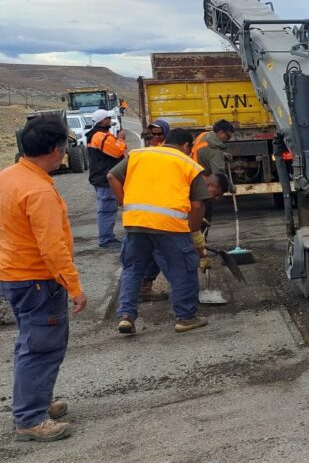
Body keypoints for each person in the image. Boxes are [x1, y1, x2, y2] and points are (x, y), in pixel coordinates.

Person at [0, 114, 87, 442]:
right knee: (41, 348)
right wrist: (74, 287)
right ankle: (30, 418)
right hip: (37, 279)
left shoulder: (8, 176)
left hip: (14, 275)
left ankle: (36, 401)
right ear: (56, 149)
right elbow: (53, 247)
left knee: (30, 342)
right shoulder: (38, 191)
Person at [107, 128, 209, 334]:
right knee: (182, 269)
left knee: (133, 268)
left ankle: (126, 316)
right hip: (170, 226)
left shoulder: (139, 154)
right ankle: (185, 317)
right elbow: (197, 206)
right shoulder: (189, 164)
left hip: (136, 222)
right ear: (186, 146)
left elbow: (111, 176)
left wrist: (124, 202)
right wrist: (194, 231)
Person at [86, 109, 127, 249]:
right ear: (102, 121)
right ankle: (106, 239)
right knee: (107, 209)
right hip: (104, 178)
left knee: (108, 208)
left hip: (102, 177)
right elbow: (116, 151)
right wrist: (121, 139)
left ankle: (107, 238)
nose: (110, 120)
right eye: (107, 118)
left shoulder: (99, 135)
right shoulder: (100, 136)